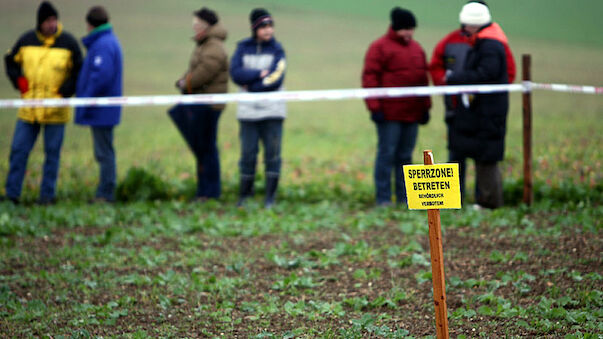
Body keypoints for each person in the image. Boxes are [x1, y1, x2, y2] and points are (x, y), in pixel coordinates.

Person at [432, 1, 513, 209]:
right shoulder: (488, 42)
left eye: (466, 25)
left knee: (487, 157)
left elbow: (486, 74)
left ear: (473, 24)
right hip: (480, 111)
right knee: (473, 151)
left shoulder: (490, 45)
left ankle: (489, 203)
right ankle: (475, 201)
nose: (464, 30)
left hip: (488, 112)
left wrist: (456, 77)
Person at [2, 1, 82, 205]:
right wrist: (19, 82)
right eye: (48, 21)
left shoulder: (68, 43)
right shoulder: (26, 40)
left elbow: (79, 71)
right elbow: (10, 60)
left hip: (56, 110)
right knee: (19, 151)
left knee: (52, 155)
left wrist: (66, 91)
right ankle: (12, 195)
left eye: (54, 20)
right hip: (29, 110)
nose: (52, 24)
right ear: (40, 22)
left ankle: (47, 197)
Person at [361, 7, 431, 206]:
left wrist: (425, 107)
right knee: (386, 155)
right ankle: (383, 199)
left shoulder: (417, 49)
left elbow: (423, 80)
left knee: (406, 156)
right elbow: (370, 78)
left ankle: (404, 197)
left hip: (412, 113)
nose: (409, 33)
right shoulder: (379, 47)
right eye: (406, 29)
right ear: (396, 28)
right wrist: (374, 108)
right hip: (389, 114)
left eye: (412, 29)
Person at [169, 7, 228, 201]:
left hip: (209, 104)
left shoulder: (214, 47)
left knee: (207, 148)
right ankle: (204, 190)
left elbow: (204, 72)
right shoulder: (205, 45)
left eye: (196, 24)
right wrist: (183, 80)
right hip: (200, 102)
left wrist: (185, 83)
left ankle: (210, 192)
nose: (194, 28)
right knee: (202, 147)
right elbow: (193, 70)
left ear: (205, 26)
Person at [230, 8, 286, 208]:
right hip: (248, 112)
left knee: (272, 154)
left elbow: (276, 78)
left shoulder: (278, 50)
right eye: (263, 26)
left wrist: (251, 84)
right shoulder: (242, 48)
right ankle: (245, 196)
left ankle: (270, 197)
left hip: (272, 111)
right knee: (247, 154)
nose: (268, 30)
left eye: (270, 26)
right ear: (255, 28)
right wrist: (258, 74)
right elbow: (235, 73)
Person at [75, 6, 123, 203]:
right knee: (104, 150)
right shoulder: (107, 41)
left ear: (89, 24)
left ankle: (106, 193)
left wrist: (86, 98)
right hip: (103, 109)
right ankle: (106, 191)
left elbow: (100, 76)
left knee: (104, 152)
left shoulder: (103, 44)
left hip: (101, 109)